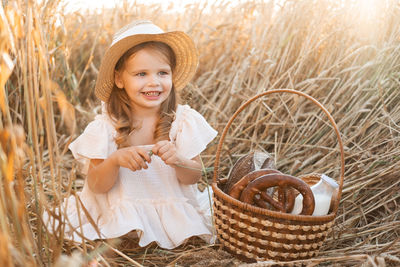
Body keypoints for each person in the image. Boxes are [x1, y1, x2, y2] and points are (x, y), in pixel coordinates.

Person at [45, 20, 218, 249]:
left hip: (171, 206)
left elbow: (193, 176)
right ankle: (131, 228)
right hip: (118, 207)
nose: (153, 82)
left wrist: (178, 160)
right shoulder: (106, 127)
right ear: (119, 79)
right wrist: (115, 161)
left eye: (162, 73)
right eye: (141, 74)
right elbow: (97, 185)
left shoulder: (181, 121)